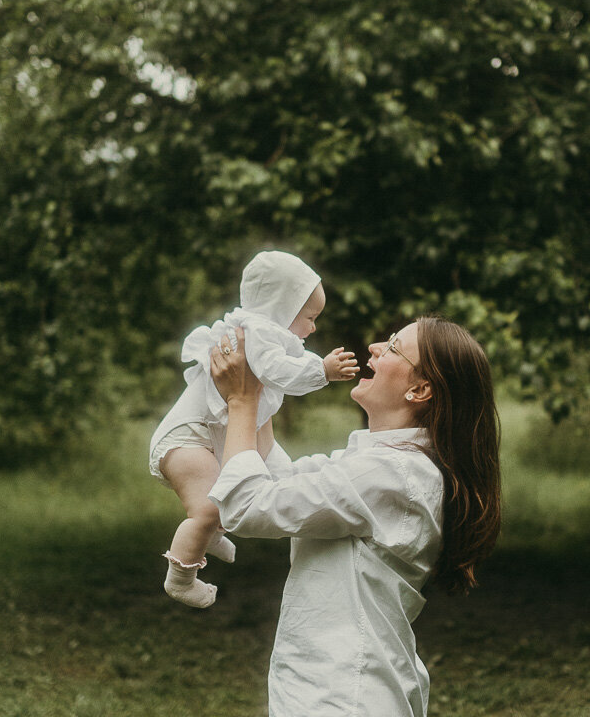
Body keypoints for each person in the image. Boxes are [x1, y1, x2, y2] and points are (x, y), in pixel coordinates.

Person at [208, 317, 501, 717]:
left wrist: (240, 401)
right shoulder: (375, 462)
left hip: (346, 697)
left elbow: (245, 504)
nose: (376, 347)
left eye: (394, 347)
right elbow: (276, 479)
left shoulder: (392, 473)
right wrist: (261, 385)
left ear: (420, 390)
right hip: (338, 688)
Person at [149, 250, 358, 608]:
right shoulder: (257, 334)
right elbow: (279, 371)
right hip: (187, 439)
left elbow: (280, 370)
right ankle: (181, 577)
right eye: (309, 317)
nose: (313, 328)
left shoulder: (262, 333)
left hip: (215, 430)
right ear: (282, 308)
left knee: (264, 478)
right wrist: (322, 371)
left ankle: (210, 536)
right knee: (208, 508)